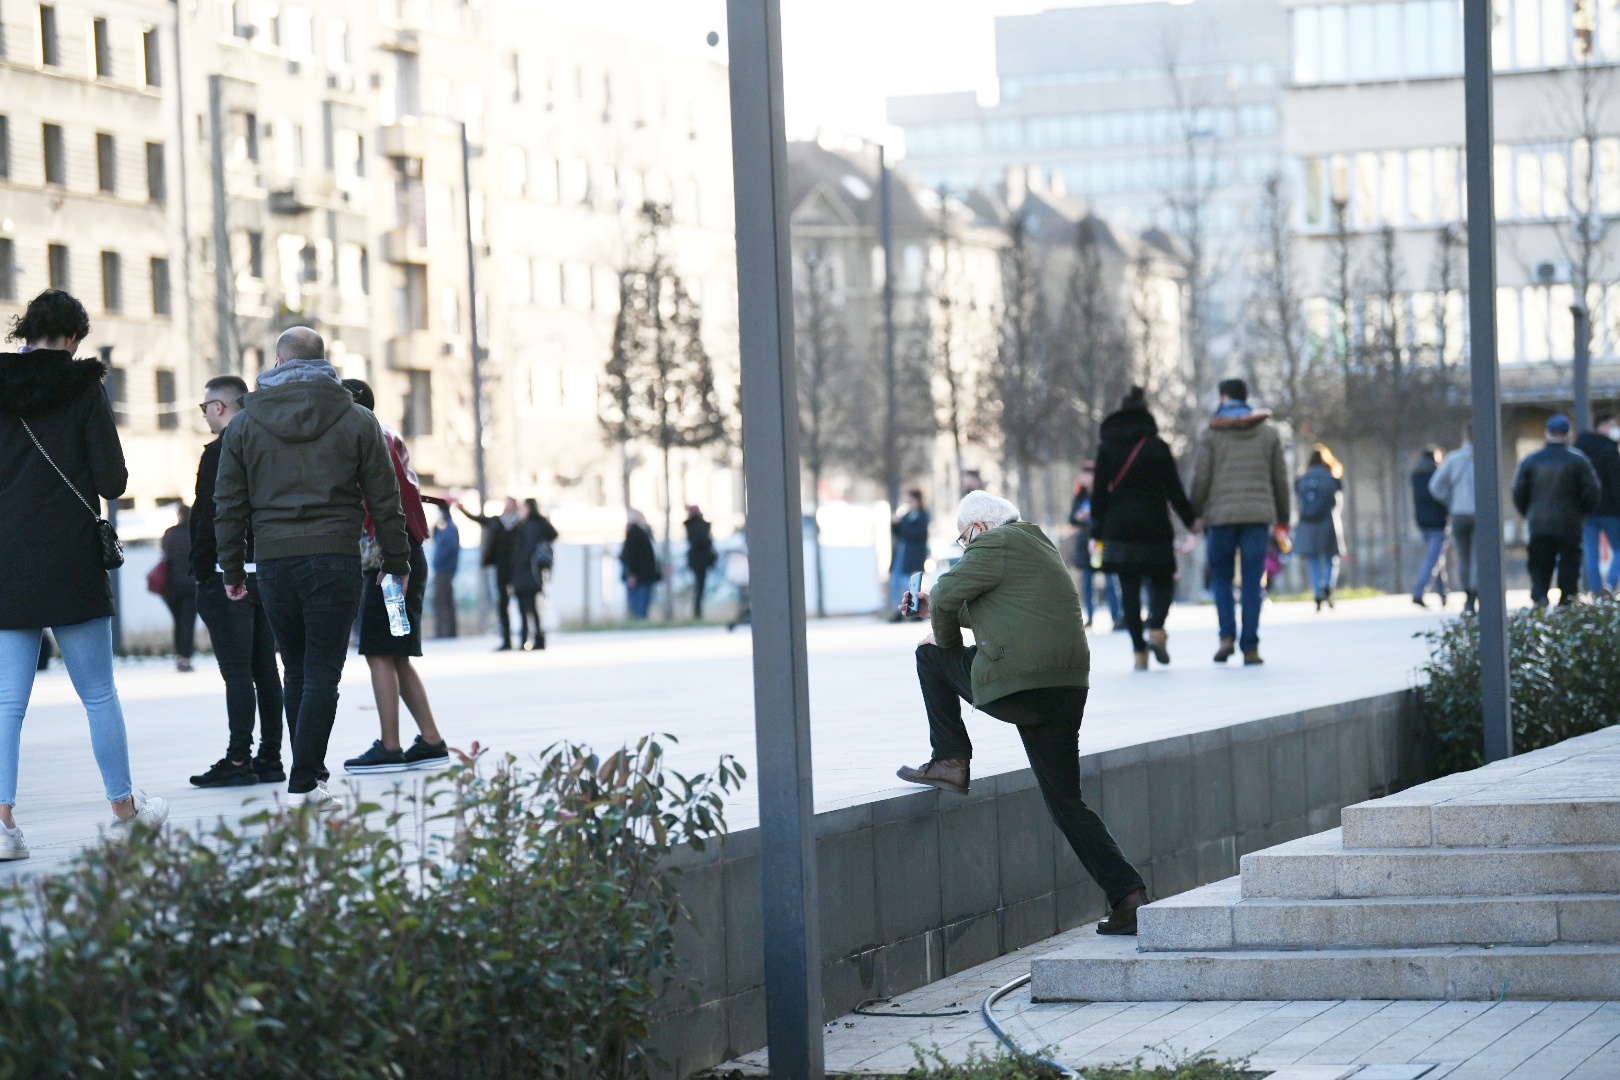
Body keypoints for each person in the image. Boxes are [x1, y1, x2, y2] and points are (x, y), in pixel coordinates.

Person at [894, 491, 1150, 935]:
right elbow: (1000, 609)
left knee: (928, 656)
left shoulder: (994, 542)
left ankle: (950, 760)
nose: (965, 546)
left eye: (963, 539)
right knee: (1067, 803)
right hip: (1065, 688)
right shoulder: (1034, 543)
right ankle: (1130, 899)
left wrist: (944, 642)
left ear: (977, 528)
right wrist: (934, 608)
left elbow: (949, 591)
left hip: (1024, 684)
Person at [0, 288, 168, 856]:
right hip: (70, 557)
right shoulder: (82, 386)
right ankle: (124, 812)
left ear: (27, 331)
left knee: (7, 702)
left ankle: (3, 824)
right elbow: (113, 480)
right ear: (72, 338)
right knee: (98, 693)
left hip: (7, 559)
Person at [215, 327, 410, 810]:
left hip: (273, 561)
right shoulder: (358, 419)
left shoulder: (244, 423)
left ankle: (309, 777)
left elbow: (229, 503)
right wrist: (397, 560)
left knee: (296, 669)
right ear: (324, 363)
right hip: (334, 559)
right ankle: (306, 781)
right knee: (323, 672)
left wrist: (232, 570)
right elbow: (385, 498)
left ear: (278, 363)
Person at [336, 379, 450, 775]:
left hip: (389, 564)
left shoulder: (371, 438)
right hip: (399, 559)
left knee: (379, 651)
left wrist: (394, 562)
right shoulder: (384, 433)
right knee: (395, 652)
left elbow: (392, 500)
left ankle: (390, 746)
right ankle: (430, 740)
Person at [188, 374, 286, 788]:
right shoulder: (266, 445)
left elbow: (212, 515)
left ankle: (238, 759)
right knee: (266, 671)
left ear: (220, 407)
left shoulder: (220, 451)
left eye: (205, 407)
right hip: (266, 572)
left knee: (237, 672)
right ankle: (270, 758)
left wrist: (205, 570)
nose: (205, 415)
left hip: (227, 576)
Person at [1090, 387, 1195, 671]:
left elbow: (1098, 494)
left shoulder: (1106, 448)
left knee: (1129, 587)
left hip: (1118, 526)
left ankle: (1139, 651)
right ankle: (1157, 628)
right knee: (1163, 579)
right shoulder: (1156, 446)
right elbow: (1174, 489)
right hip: (1154, 523)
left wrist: (1096, 532)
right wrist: (1190, 519)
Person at [1190, 378, 1290, 666]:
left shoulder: (1212, 434)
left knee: (1221, 578)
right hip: (1257, 517)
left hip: (1220, 518)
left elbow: (1201, 478)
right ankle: (1250, 647)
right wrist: (1283, 517)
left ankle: (1226, 637)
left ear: (1223, 398)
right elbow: (1280, 479)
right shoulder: (1268, 433)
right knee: (1252, 581)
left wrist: (1195, 513)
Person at [1511, 413, 1601, 609]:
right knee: (1570, 563)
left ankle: (1540, 596)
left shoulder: (1532, 460)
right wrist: (1583, 511)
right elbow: (1592, 490)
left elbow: (1518, 491)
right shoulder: (1579, 460)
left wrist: (1528, 512)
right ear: (1568, 434)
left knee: (1540, 562)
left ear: (1547, 433)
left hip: (1539, 521)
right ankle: (1567, 601)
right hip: (1570, 521)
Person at [456, 497, 519, 650]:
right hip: (501, 569)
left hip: (517, 569)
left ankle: (525, 638)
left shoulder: (520, 524)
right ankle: (506, 640)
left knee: (522, 603)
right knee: (502, 603)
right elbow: (478, 519)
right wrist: (463, 510)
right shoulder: (496, 521)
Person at [1429, 424, 1478, 614]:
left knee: (1463, 556)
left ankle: (1468, 595)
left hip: (1459, 513)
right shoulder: (1487, 457)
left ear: (1464, 436)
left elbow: (1435, 486)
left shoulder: (1453, 459)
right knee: (1478, 556)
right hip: (1481, 514)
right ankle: (1475, 592)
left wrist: (1451, 501)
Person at [1068, 466, 1122, 630]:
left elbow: (1110, 515)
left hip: (1102, 542)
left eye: (1088, 475)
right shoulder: (1080, 496)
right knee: (1087, 583)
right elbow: (1072, 518)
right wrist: (1079, 517)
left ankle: (1116, 617)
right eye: (1083, 475)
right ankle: (1090, 617)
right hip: (1086, 544)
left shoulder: (1103, 493)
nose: (1084, 478)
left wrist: (1091, 516)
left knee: (1110, 581)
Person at [1293, 446, 1345, 613]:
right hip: (1328, 522)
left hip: (1307, 524)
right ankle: (1328, 587)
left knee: (1313, 560)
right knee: (1331, 558)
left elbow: (1299, 501)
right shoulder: (1331, 477)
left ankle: (1317, 592)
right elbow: (1336, 502)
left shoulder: (1302, 479)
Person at [1575, 414, 1620, 597]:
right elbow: (1615, 483)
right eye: (1612, 424)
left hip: (1588, 510)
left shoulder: (1580, 449)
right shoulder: (1609, 450)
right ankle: (1610, 585)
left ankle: (1595, 591)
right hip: (1611, 511)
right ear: (1602, 426)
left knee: (1591, 552)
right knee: (1618, 549)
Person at [508, 497, 558, 650]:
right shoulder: (533, 525)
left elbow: (524, 551)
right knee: (531, 608)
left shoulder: (530, 527)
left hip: (526, 572)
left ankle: (529, 639)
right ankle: (535, 638)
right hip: (530, 573)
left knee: (527, 608)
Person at [1410, 447, 1450, 608]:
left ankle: (1443, 594)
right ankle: (1419, 592)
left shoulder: (1416, 474)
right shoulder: (1437, 474)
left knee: (1436, 557)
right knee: (1433, 559)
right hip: (1438, 521)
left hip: (1422, 521)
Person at [160, 503, 198, 671]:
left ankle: (178, 655)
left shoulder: (169, 533)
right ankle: (185, 658)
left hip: (172, 586)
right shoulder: (195, 532)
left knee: (178, 621)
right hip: (191, 584)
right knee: (188, 622)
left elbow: (164, 555)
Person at [889, 489, 931, 621]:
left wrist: (900, 523)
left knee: (910, 584)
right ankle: (898, 611)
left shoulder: (922, 516)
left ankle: (915, 610)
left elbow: (914, 534)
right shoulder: (906, 516)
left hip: (913, 556)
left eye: (911, 500)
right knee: (895, 582)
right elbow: (897, 532)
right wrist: (894, 523)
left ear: (918, 501)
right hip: (901, 555)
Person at [621, 510, 659, 619]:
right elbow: (632, 555)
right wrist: (632, 574)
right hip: (639, 575)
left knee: (645, 601)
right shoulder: (634, 533)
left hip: (644, 574)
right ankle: (640, 621)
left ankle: (642, 620)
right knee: (639, 603)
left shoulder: (644, 531)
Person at [430, 503, 460, 638]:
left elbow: (449, 548)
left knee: (440, 600)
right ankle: (450, 631)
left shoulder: (449, 528)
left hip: (444, 569)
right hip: (446, 568)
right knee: (447, 600)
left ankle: (442, 631)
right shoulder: (446, 527)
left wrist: (439, 561)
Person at [685, 505, 718, 620]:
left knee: (699, 586)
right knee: (699, 586)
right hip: (700, 560)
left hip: (697, 560)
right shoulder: (697, 526)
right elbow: (702, 541)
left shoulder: (692, 525)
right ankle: (697, 612)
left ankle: (697, 612)